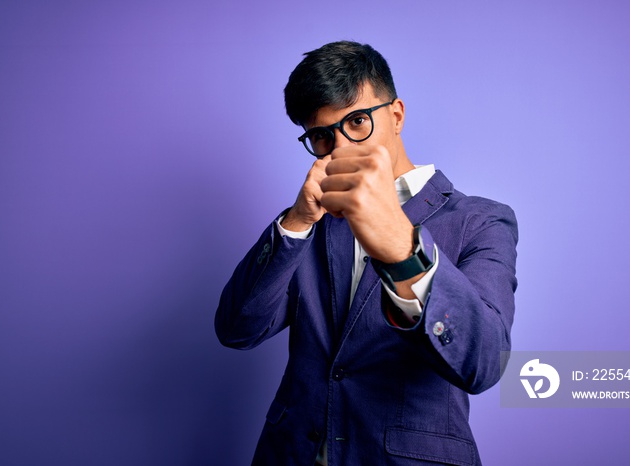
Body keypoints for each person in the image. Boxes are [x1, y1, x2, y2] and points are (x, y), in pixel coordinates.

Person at [215, 40, 518, 466]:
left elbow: (483, 363)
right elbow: (236, 330)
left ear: (395, 116)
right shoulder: (313, 222)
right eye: (322, 135)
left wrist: (400, 244)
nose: (340, 147)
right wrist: (298, 220)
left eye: (357, 121)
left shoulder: (481, 220)